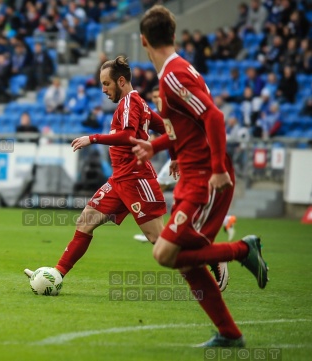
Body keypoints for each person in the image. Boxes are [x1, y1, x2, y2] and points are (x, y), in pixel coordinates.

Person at [132, 5, 268, 347]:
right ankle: (229, 334)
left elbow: (215, 117)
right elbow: (187, 126)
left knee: (165, 254)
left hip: (206, 178)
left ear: (143, 41)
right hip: (193, 175)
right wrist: (158, 147)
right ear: (174, 35)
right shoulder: (176, 73)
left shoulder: (173, 75)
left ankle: (241, 249)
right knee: (183, 262)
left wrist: (219, 168)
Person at [24, 55, 169, 282]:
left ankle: (211, 258)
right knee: (86, 220)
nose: (103, 89)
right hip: (119, 180)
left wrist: (92, 138)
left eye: (106, 83)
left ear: (121, 81)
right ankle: (56, 274)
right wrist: (177, 155)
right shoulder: (137, 104)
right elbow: (170, 131)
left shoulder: (131, 102)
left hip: (136, 180)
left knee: (159, 239)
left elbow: (130, 135)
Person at [133, 87, 237, 252]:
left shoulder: (174, 109)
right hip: (180, 157)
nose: (155, 100)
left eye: (157, 96)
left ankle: (160, 231)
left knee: (162, 188)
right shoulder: (159, 111)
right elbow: (171, 135)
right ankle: (168, 232)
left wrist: (157, 146)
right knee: (181, 199)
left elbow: (177, 133)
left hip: (188, 158)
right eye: (152, 97)